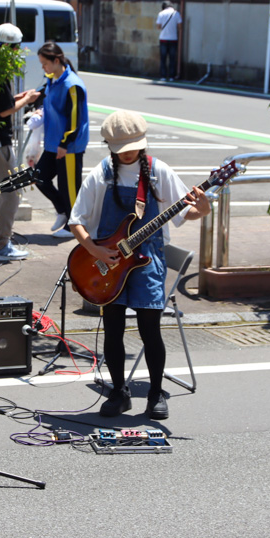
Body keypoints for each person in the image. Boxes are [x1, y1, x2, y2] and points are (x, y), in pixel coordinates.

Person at [69, 110, 210, 419]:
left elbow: (188, 214)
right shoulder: (101, 173)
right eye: (122, 148)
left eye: (133, 146)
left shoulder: (159, 172)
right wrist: (95, 250)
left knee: (150, 330)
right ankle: (119, 391)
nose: (129, 153)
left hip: (148, 260)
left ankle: (156, 394)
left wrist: (203, 208)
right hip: (109, 260)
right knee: (113, 329)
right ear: (109, 146)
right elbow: (76, 222)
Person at [0, 24, 41, 261]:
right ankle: (2, 246)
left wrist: (18, 98)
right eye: (17, 47)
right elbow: (4, 111)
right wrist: (29, 99)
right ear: (10, 48)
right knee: (10, 193)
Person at [34, 41, 89, 239]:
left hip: (69, 146)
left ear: (56, 60)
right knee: (39, 178)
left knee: (70, 188)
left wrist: (65, 144)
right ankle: (63, 211)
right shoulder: (52, 79)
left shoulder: (72, 85)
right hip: (53, 143)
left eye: (45, 63)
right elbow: (45, 95)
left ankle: (74, 226)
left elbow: (75, 120)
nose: (43, 68)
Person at [155, 1, 182, 82]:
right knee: (172, 58)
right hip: (173, 38)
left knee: (163, 58)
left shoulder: (161, 13)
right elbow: (180, 27)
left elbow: (158, 27)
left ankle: (163, 76)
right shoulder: (176, 13)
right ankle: (171, 77)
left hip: (163, 38)